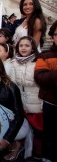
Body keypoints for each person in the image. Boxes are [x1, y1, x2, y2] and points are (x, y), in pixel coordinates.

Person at [0, 55, 32, 161]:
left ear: (0, 68)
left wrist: (7, 139)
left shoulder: (11, 87)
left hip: (17, 125)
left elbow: (19, 116)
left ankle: (16, 144)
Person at [10, 36, 42, 159]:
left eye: (27, 45)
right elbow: (13, 83)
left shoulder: (38, 61)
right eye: (21, 45)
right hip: (20, 102)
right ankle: (20, 150)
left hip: (36, 101)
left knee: (38, 131)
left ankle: (37, 154)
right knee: (22, 129)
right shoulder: (14, 62)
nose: (23, 48)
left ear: (33, 47)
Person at [34, 21, 57, 162]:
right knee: (50, 135)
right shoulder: (45, 55)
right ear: (53, 37)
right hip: (51, 102)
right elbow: (39, 77)